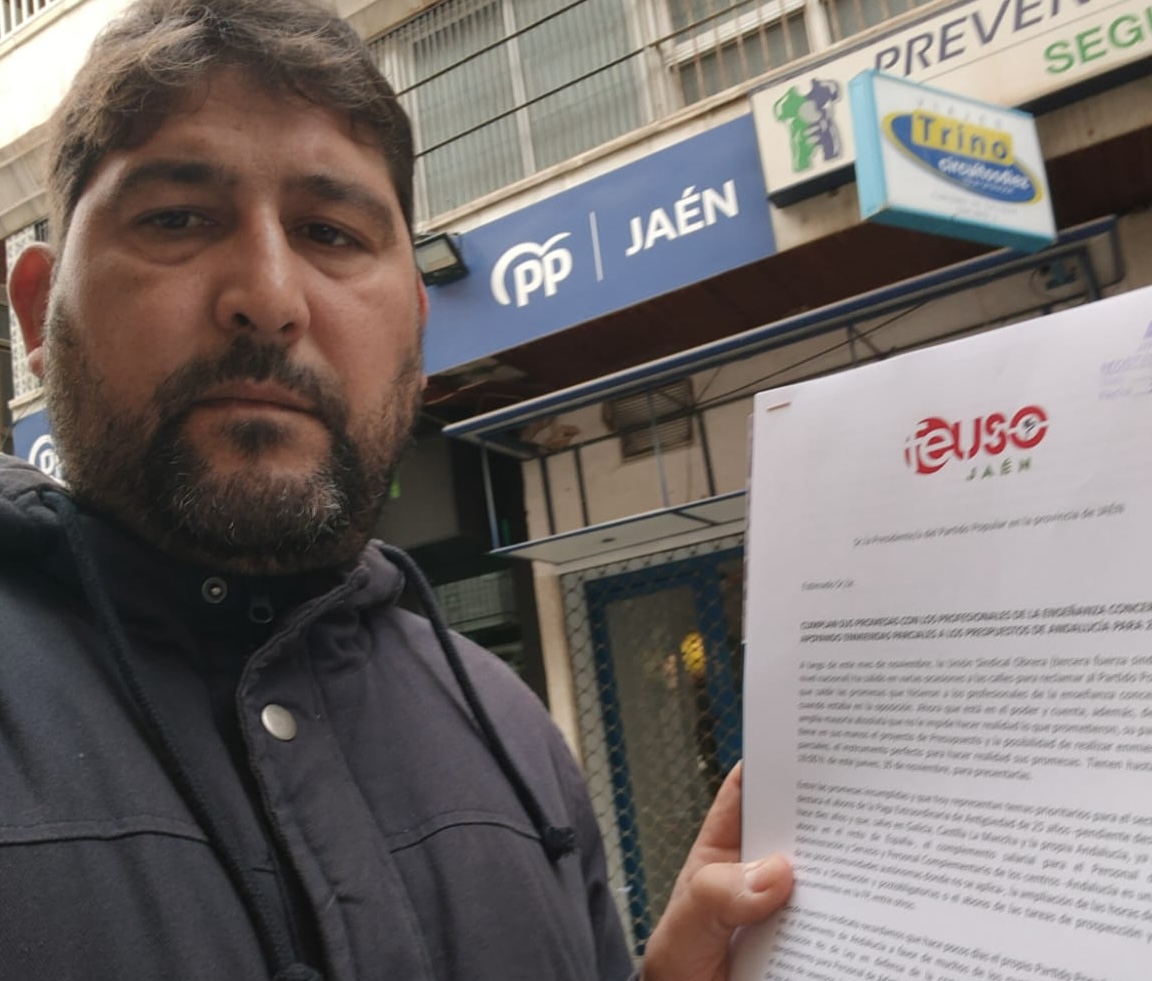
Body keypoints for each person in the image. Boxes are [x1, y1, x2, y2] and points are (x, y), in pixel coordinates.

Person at [0, 1, 793, 979]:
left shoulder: (512, 732)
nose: (270, 297)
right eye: (175, 219)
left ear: (417, 331)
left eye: (331, 232)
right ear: (38, 312)